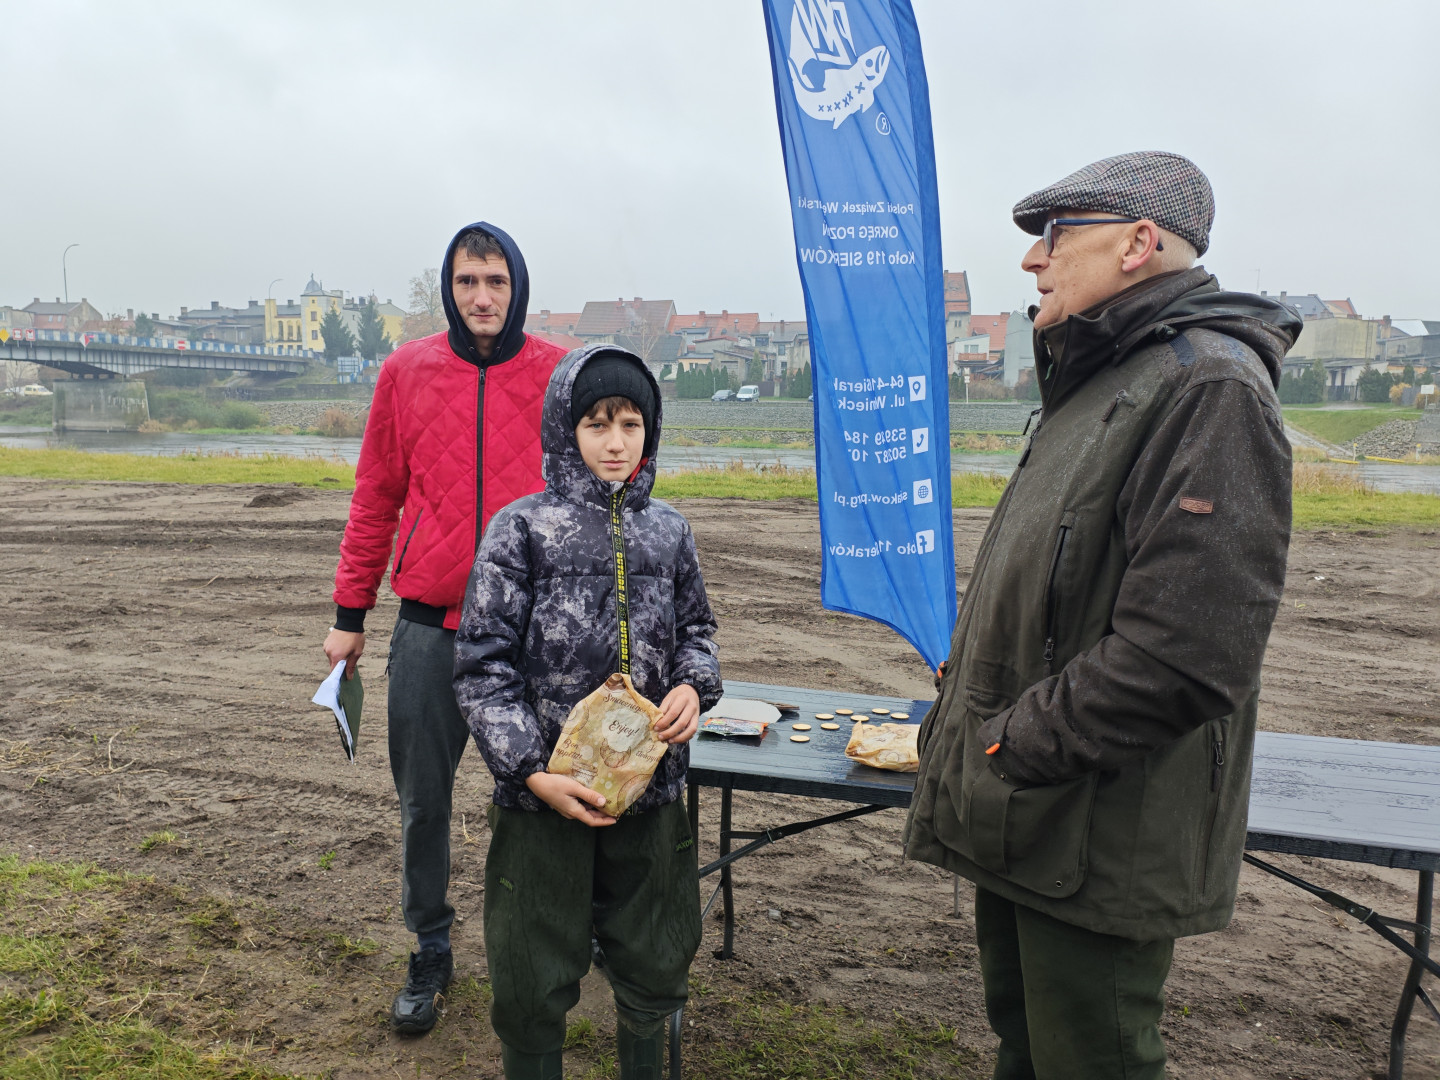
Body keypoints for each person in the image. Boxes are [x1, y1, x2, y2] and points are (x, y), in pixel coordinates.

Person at [904, 151, 1302, 1079]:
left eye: (1055, 236)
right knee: (1027, 1046)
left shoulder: (1208, 389)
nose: (1033, 260)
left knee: (1092, 1060)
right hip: (1033, 813)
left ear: (1137, 244)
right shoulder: (1101, 379)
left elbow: (1186, 654)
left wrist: (1007, 746)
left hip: (1096, 826)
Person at [453, 345, 721, 1080]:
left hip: (650, 792)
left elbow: (698, 632)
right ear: (564, 429)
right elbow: (481, 667)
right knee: (530, 966)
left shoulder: (669, 530)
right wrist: (530, 772)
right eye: (597, 423)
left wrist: (693, 686)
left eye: (631, 424)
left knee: (656, 954)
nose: (615, 442)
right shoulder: (521, 529)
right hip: (544, 800)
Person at [322, 222, 565, 1034]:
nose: (481, 297)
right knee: (422, 802)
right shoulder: (406, 371)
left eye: (495, 281)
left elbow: (594, 492)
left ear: (516, 286)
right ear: (448, 288)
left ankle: (551, 933)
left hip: (531, 633)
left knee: (541, 795)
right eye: (467, 281)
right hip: (430, 628)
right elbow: (375, 495)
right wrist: (349, 615)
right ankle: (430, 943)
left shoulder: (558, 374)